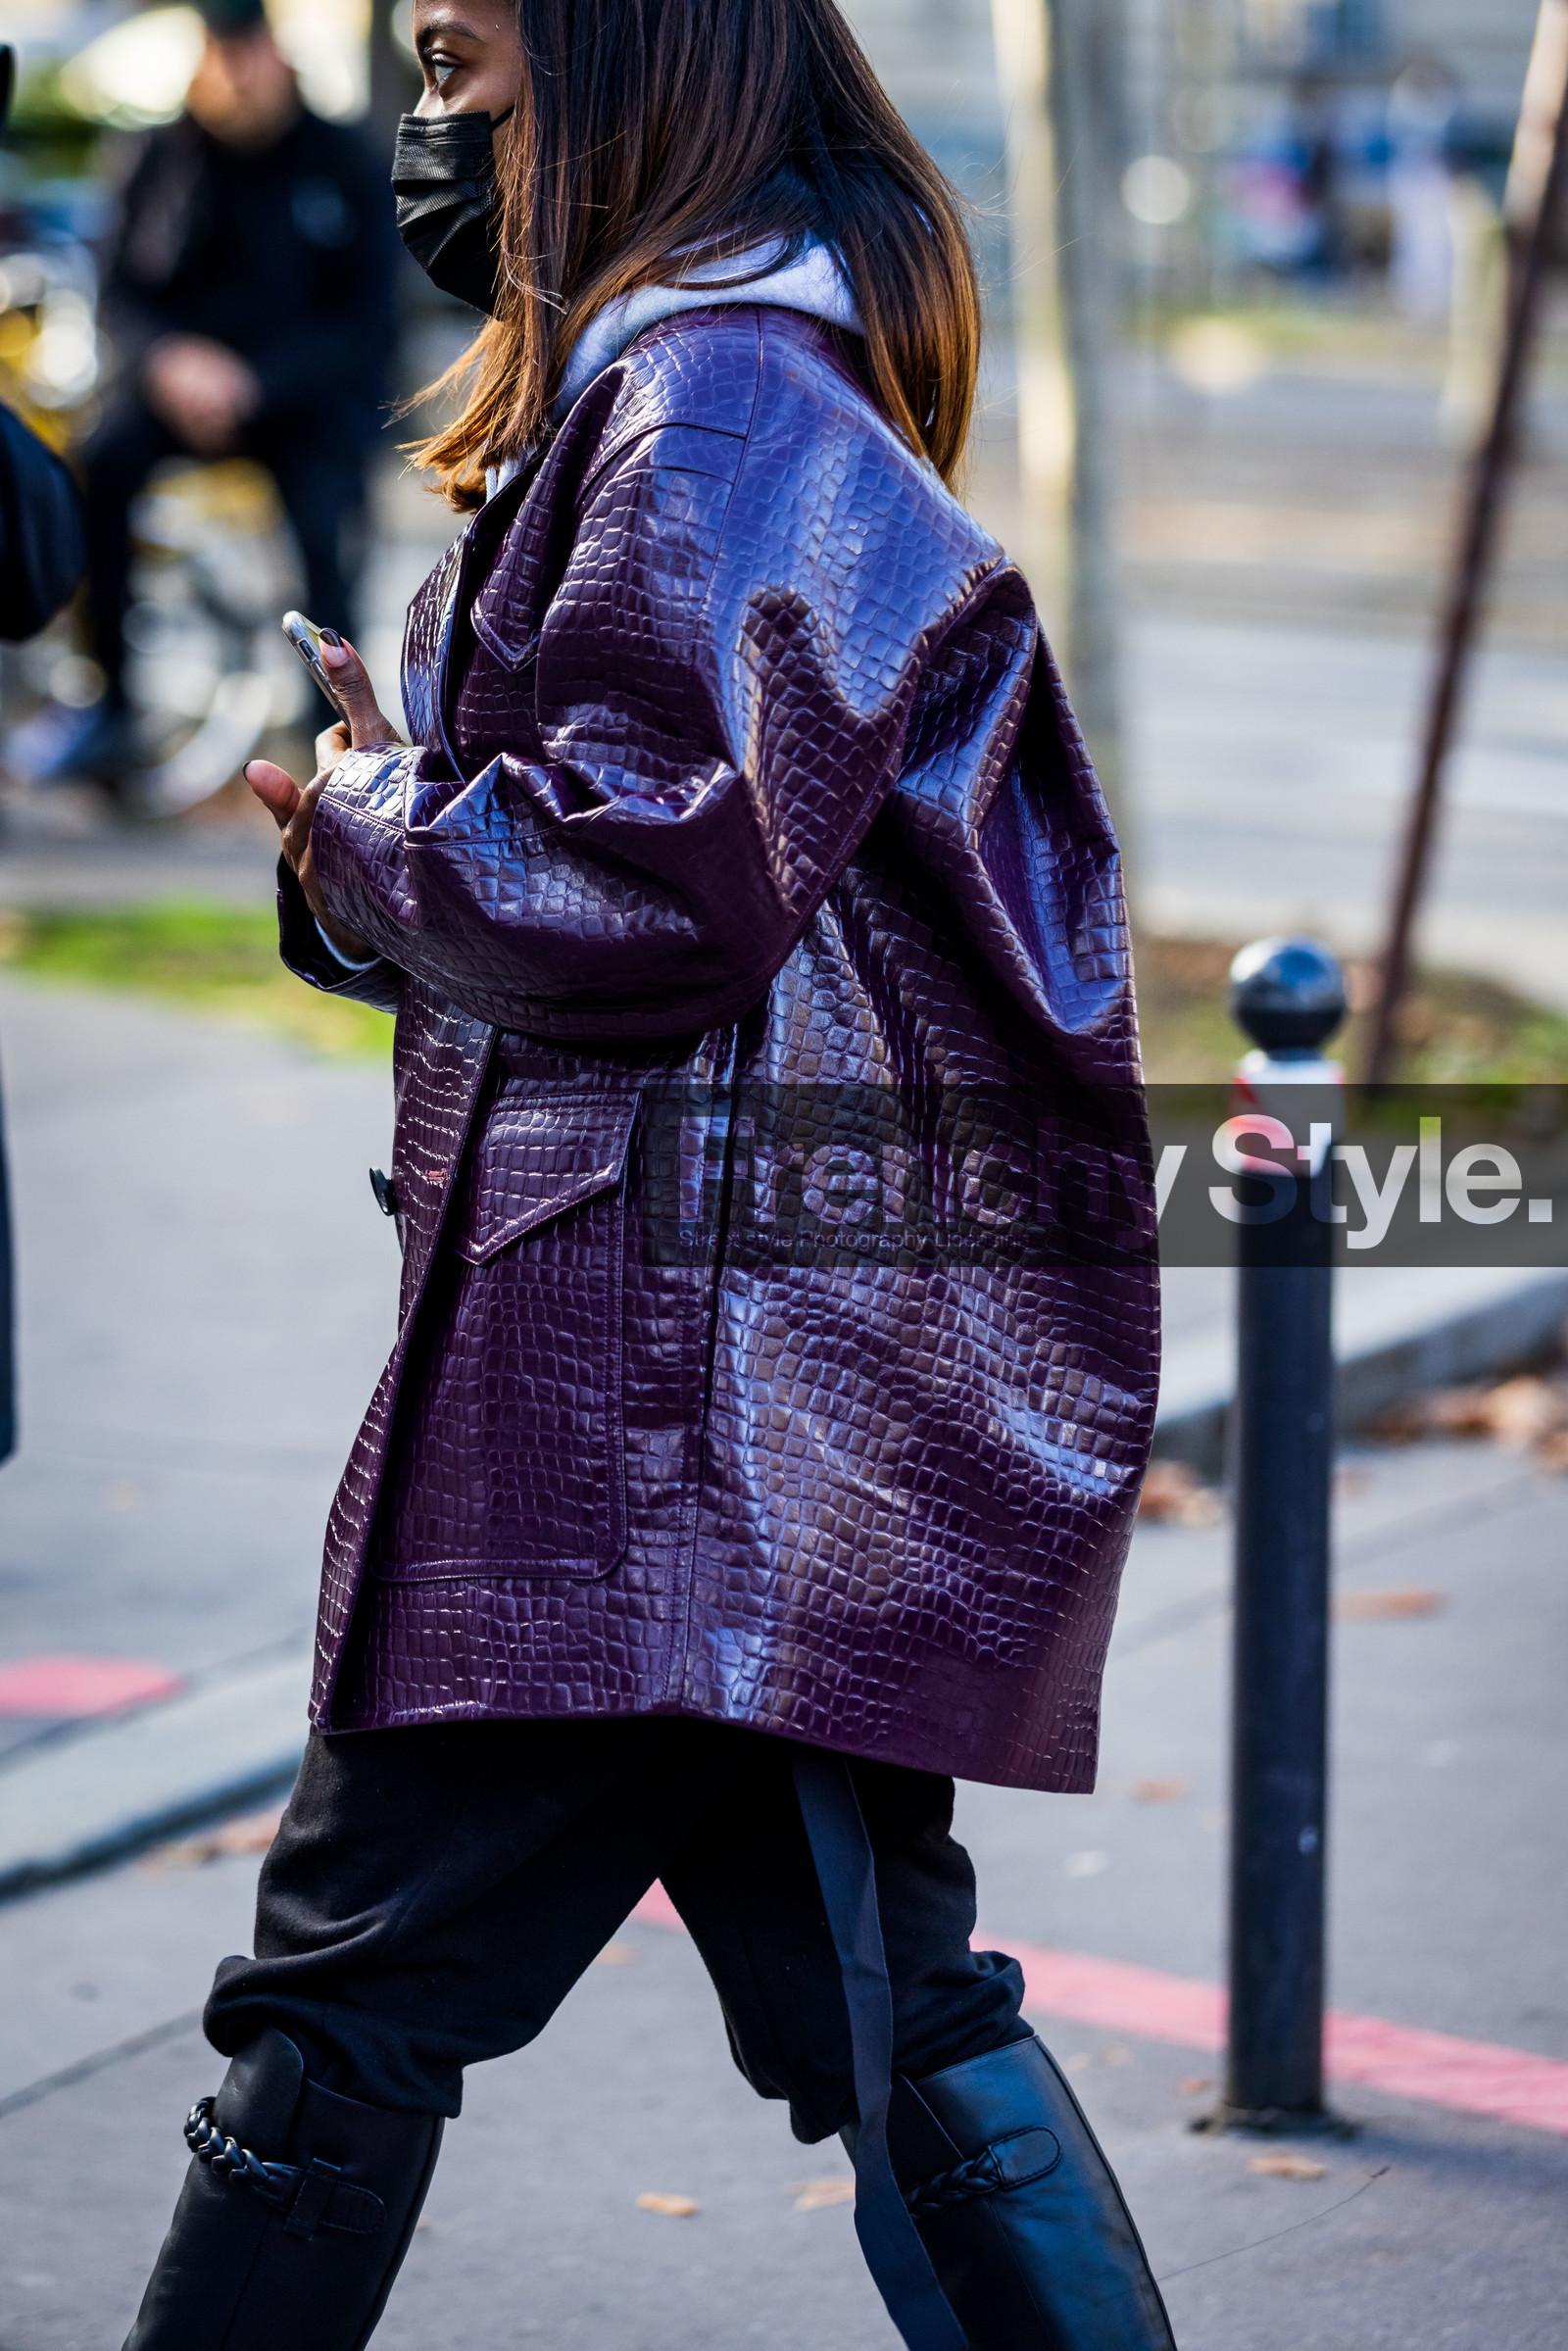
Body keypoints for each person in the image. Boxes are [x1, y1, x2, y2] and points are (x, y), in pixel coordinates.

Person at [121, 3, 1169, 2346]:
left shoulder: (704, 399)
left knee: (352, 1991)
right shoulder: (716, 371)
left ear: (621, 57)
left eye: (462, 70)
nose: (428, 117)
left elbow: (652, 883)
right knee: (878, 1996)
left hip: (641, 1397)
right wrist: (391, 835)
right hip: (703, 1377)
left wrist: (371, 815)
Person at [65, 0, 398, 788]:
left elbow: (367, 316)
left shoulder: (340, 156)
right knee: (99, 463)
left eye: (249, 52)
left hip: (301, 402)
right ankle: (110, 702)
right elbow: (115, 288)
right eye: (222, 53)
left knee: (325, 536)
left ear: (277, 55)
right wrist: (169, 361)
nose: (238, 75)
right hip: (177, 389)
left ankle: (342, 739)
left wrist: (259, 380)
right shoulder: (157, 152)